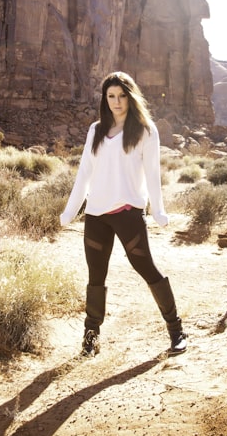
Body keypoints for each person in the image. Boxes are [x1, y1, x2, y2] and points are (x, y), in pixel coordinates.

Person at [60, 71, 188, 357]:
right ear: (105, 99)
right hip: (96, 215)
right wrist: (71, 210)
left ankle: (176, 330)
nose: (117, 102)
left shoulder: (145, 130)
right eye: (111, 96)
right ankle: (91, 339)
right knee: (96, 277)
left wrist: (158, 210)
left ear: (131, 97)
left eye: (121, 96)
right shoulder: (95, 130)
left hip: (128, 212)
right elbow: (84, 173)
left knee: (148, 269)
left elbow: (153, 175)